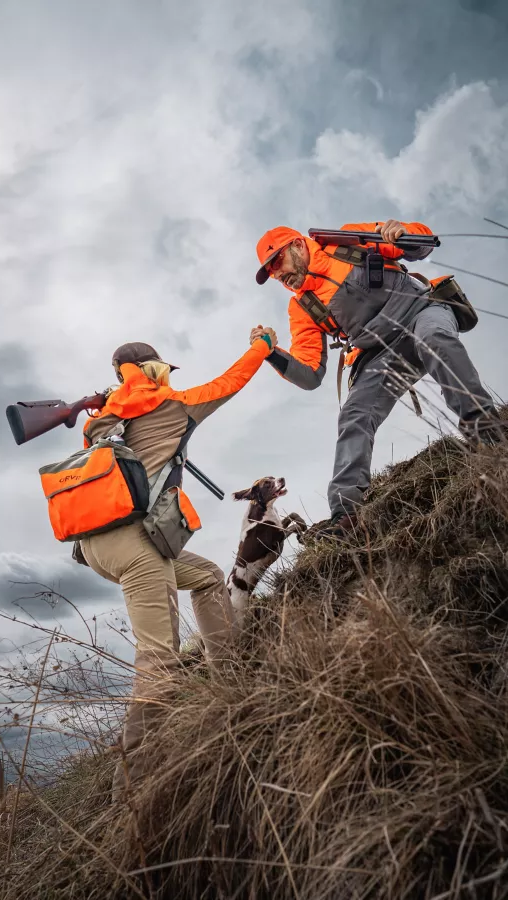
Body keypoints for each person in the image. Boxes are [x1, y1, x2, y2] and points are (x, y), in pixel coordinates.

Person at [79, 333, 276, 794]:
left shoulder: (105, 418)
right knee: (160, 665)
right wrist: (261, 345)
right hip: (137, 546)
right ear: (155, 370)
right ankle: (128, 792)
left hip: (96, 546)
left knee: (207, 576)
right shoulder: (173, 405)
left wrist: (109, 400)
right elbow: (230, 382)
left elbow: (101, 438)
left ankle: (229, 680)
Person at [253, 218, 500, 536]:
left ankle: (489, 434)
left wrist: (402, 236)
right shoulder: (302, 306)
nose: (277, 273)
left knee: (435, 339)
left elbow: (421, 244)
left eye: (276, 261)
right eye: (270, 272)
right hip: (380, 353)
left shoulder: (346, 241)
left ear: (298, 245)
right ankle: (345, 515)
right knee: (354, 415)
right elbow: (311, 374)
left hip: (421, 311)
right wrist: (272, 352)